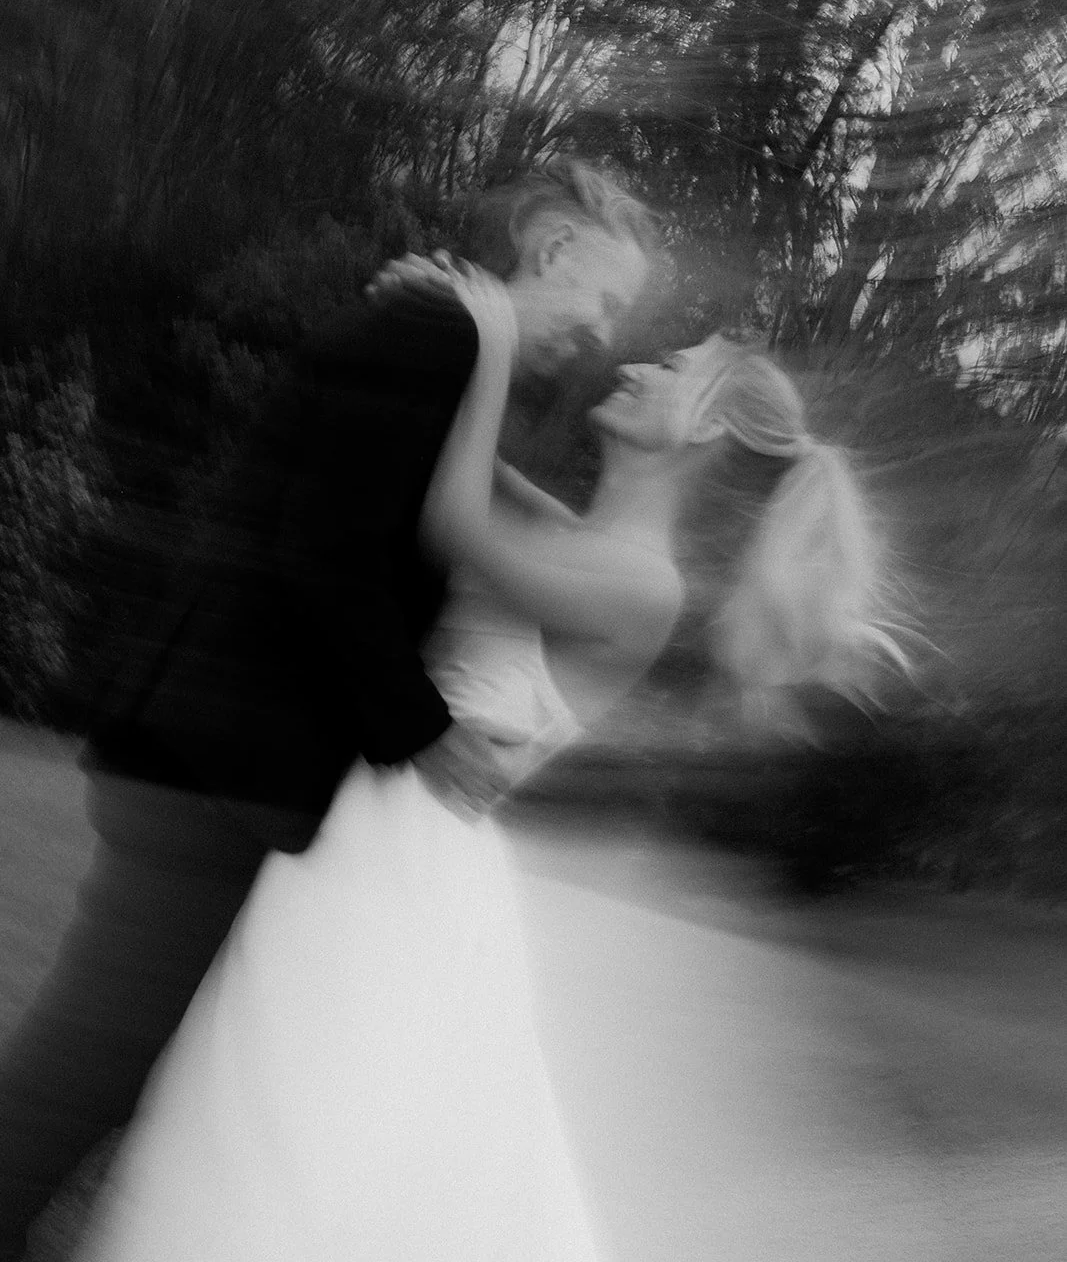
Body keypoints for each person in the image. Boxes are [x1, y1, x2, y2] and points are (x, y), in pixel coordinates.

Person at [72, 276, 903, 1261]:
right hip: (381, 825)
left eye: (671, 368)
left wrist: (489, 335)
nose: (638, 364)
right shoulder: (580, 535)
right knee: (280, 1091)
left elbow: (451, 515)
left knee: (303, 1108)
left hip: (404, 858)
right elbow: (449, 464)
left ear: (705, 428)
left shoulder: (643, 582)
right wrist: (436, 327)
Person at [0, 158, 657, 1262]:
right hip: (219, 758)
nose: (601, 337)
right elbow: (325, 553)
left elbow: (404, 524)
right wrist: (426, 734)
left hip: (218, 755)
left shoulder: (447, 337)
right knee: (94, 1061)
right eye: (604, 302)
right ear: (553, 251)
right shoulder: (437, 333)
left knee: (148, 1067)